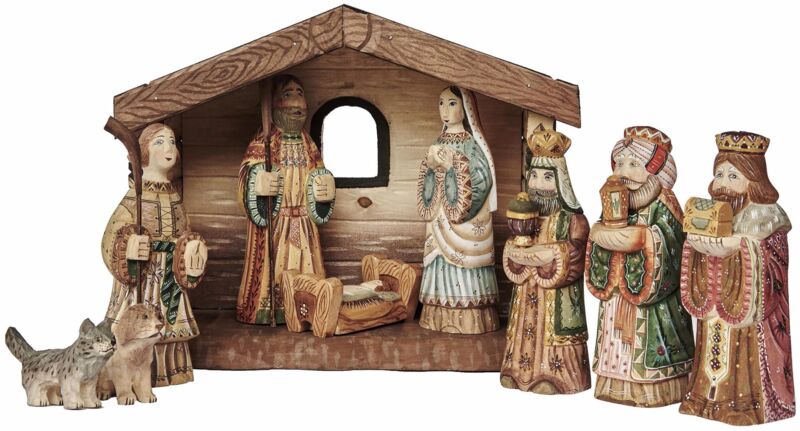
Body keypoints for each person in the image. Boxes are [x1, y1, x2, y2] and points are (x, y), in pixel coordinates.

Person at [679, 131, 794, 425]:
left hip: (750, 313)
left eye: (733, 176)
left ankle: (746, 405)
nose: (723, 184)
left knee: (743, 354)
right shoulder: (711, 213)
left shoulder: (768, 217)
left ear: (754, 180)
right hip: (716, 301)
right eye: (719, 175)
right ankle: (705, 400)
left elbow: (776, 267)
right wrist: (698, 245)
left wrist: (744, 247)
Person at [586, 126, 694, 406]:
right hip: (617, 294)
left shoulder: (665, 205)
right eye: (619, 163)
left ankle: (653, 389)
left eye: (634, 164)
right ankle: (614, 384)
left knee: (646, 338)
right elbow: (599, 237)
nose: (623, 171)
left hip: (654, 302)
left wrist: (647, 238)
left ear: (656, 172)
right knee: (615, 337)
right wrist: (602, 234)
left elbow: (673, 245)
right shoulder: (614, 201)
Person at [102, 123, 208, 386]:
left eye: (172, 141)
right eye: (159, 142)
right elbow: (111, 237)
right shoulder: (134, 198)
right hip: (145, 274)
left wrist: (191, 251)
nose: (169, 147)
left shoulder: (175, 196)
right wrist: (128, 247)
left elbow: (185, 232)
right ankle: (135, 373)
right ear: (143, 153)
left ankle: (170, 368)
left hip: (169, 274)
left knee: (170, 325)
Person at [236, 75, 336, 325]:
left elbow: (318, 172)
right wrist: (257, 180)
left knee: (306, 267)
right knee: (275, 267)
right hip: (276, 225)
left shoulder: (309, 145)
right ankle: (272, 307)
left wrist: (323, 185)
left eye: (299, 93)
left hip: (304, 225)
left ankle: (308, 307)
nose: (296, 102)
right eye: (287, 94)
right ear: (274, 104)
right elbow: (246, 176)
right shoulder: (263, 143)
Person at [500, 129, 591, 394]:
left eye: (547, 177)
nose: (539, 184)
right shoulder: (525, 216)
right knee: (523, 328)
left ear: (561, 181)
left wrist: (553, 254)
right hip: (527, 294)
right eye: (534, 176)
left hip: (558, 300)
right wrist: (517, 252)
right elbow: (513, 247)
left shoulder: (573, 220)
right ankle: (518, 373)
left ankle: (556, 376)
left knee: (554, 336)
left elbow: (577, 254)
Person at [416, 86, 499, 334]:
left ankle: (469, 316)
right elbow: (429, 175)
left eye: (452, 103)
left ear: (466, 108)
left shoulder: (472, 144)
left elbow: (482, 176)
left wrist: (455, 165)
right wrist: (432, 167)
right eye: (441, 103)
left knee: (466, 262)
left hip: (466, 221)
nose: (445, 110)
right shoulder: (438, 141)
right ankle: (438, 312)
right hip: (440, 218)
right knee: (438, 260)